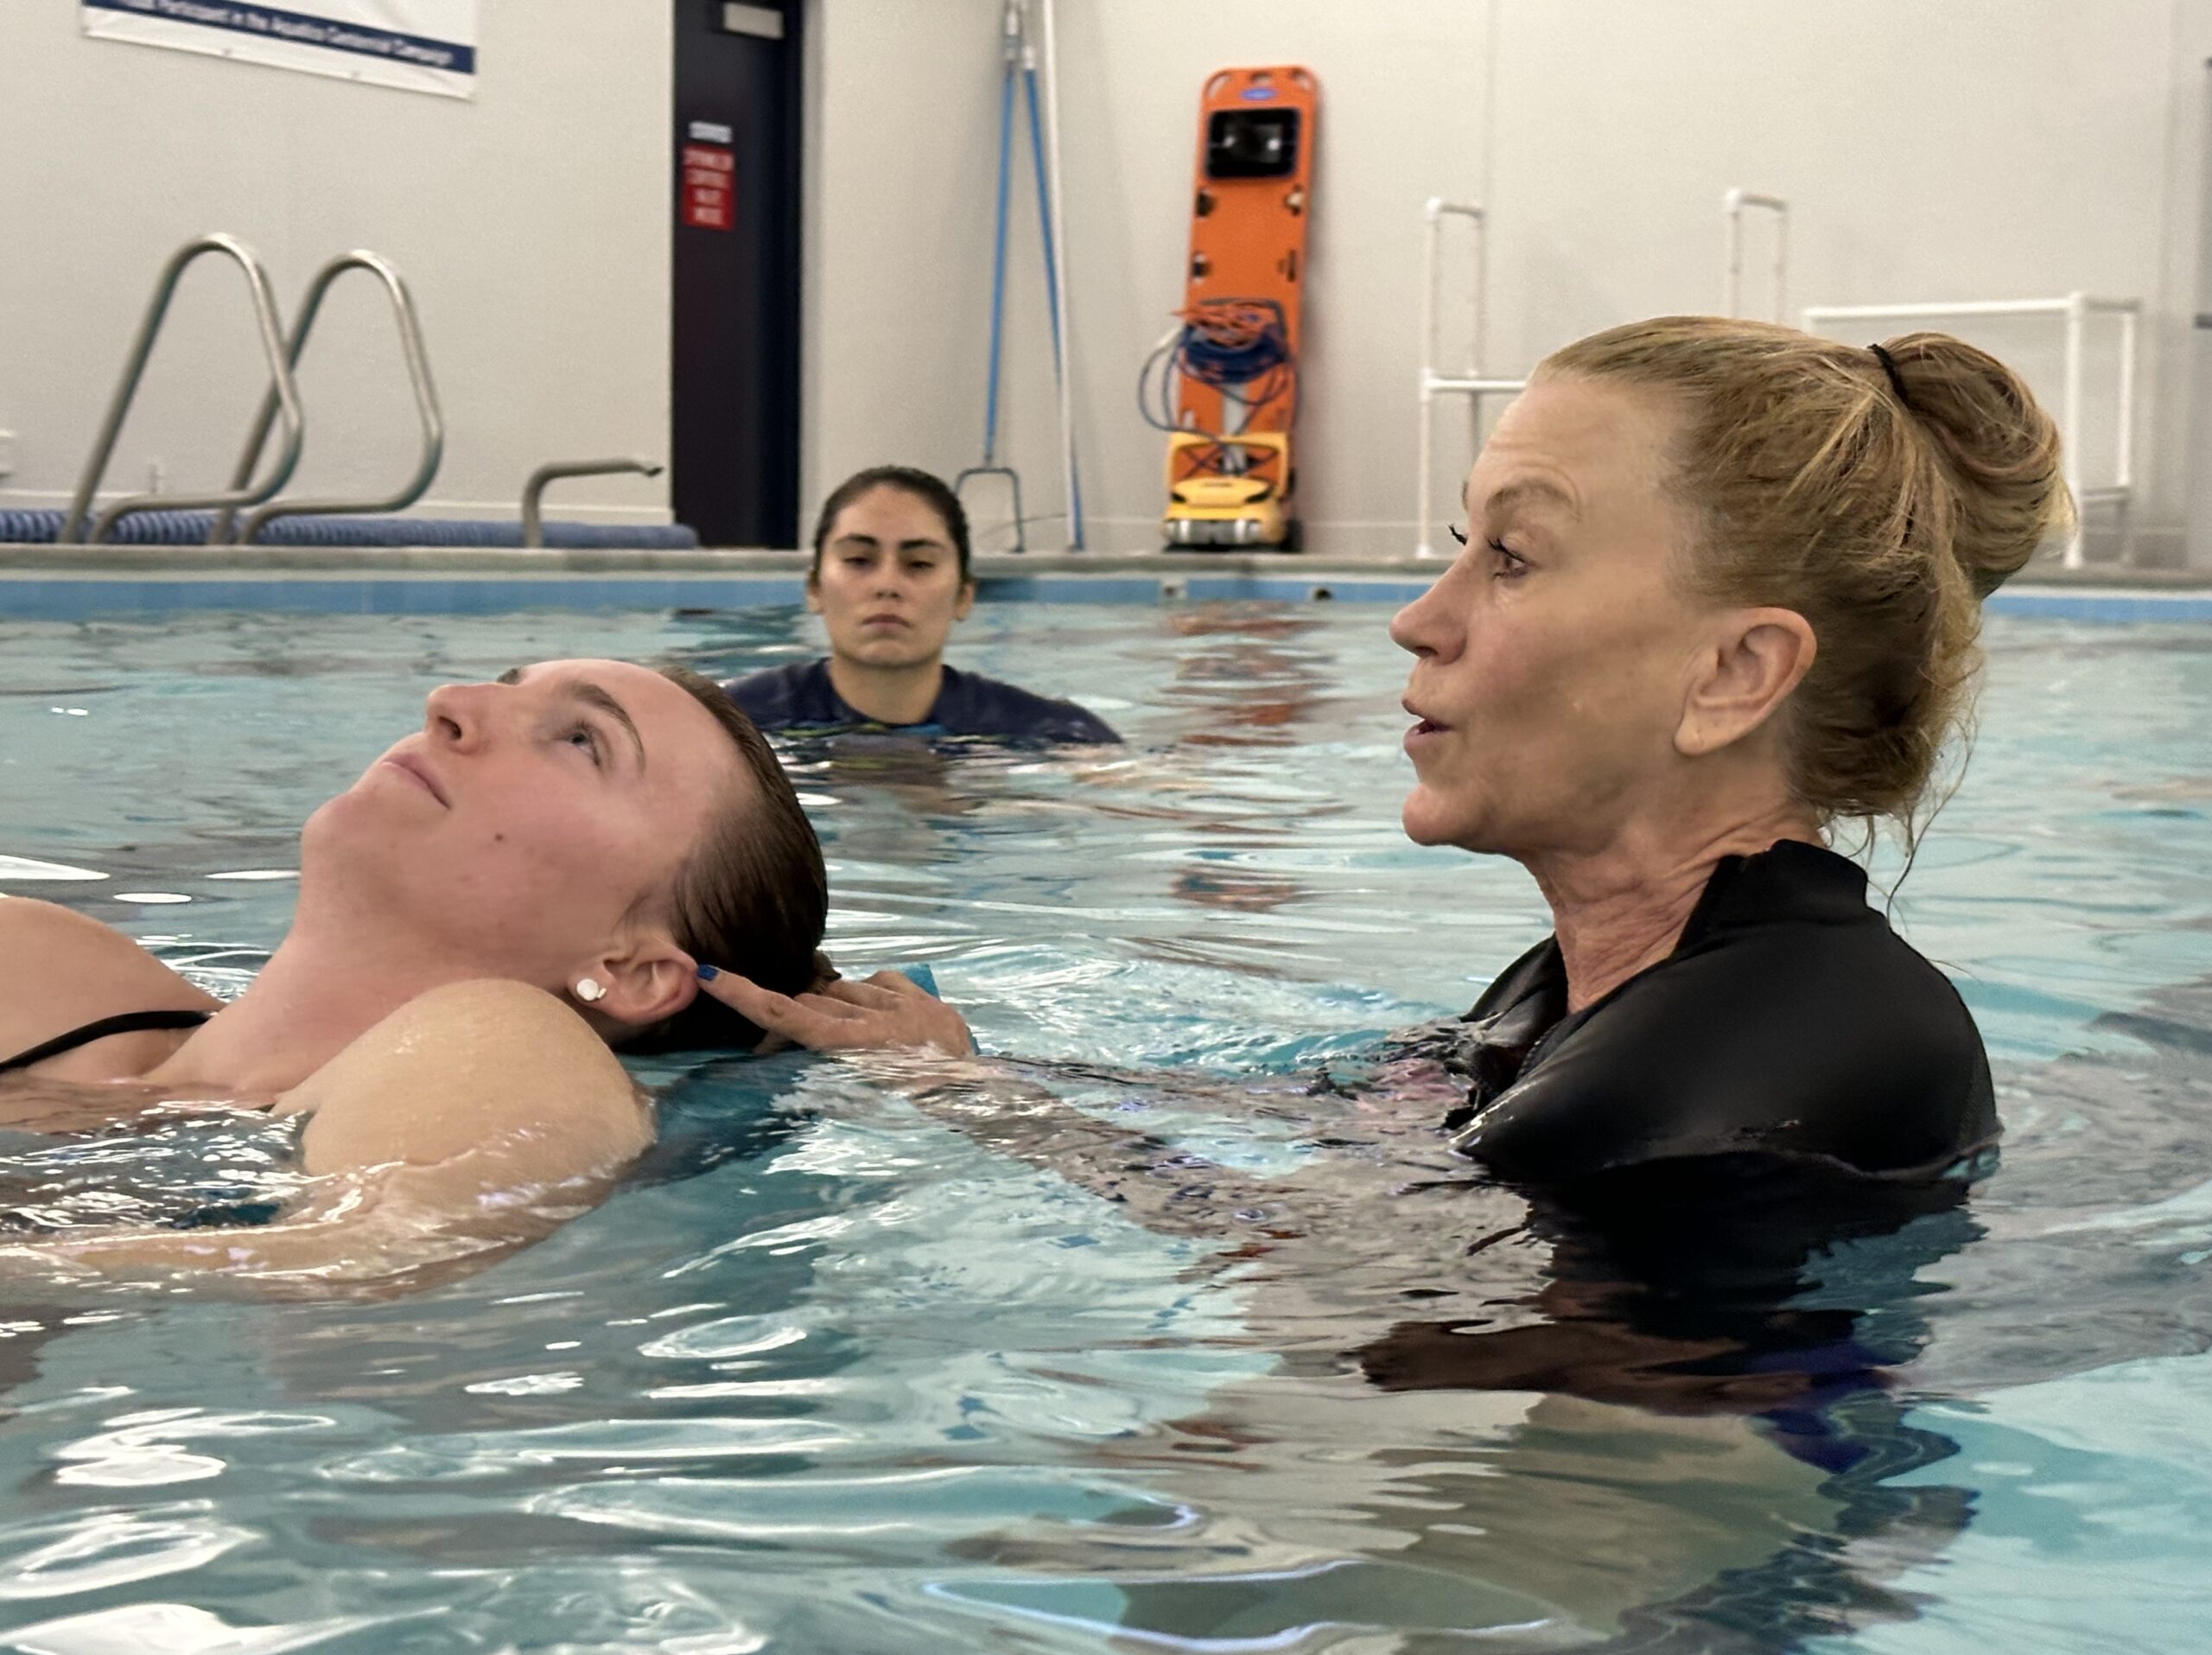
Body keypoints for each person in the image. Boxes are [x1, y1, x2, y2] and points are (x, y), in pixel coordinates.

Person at [703, 315, 2069, 1192]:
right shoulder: (1595, 993)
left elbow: (1371, 1309)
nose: (1421, 618)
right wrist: (964, 1067)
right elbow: (1350, 1128)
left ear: (1732, 675)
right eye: (1458, 545)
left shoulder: (1721, 1081)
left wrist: (981, 1113)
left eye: (1512, 556)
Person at [0, 660, 828, 1281]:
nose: (452, 705)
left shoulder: (504, 1039)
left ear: (632, 970)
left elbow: (377, 1256)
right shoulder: (42, 958)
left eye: (582, 740)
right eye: (506, 685)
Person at [723, 465, 1121, 743]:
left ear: (964, 597)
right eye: (859, 560)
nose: (888, 585)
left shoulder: (1051, 733)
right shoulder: (732, 723)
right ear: (814, 588)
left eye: (919, 564)